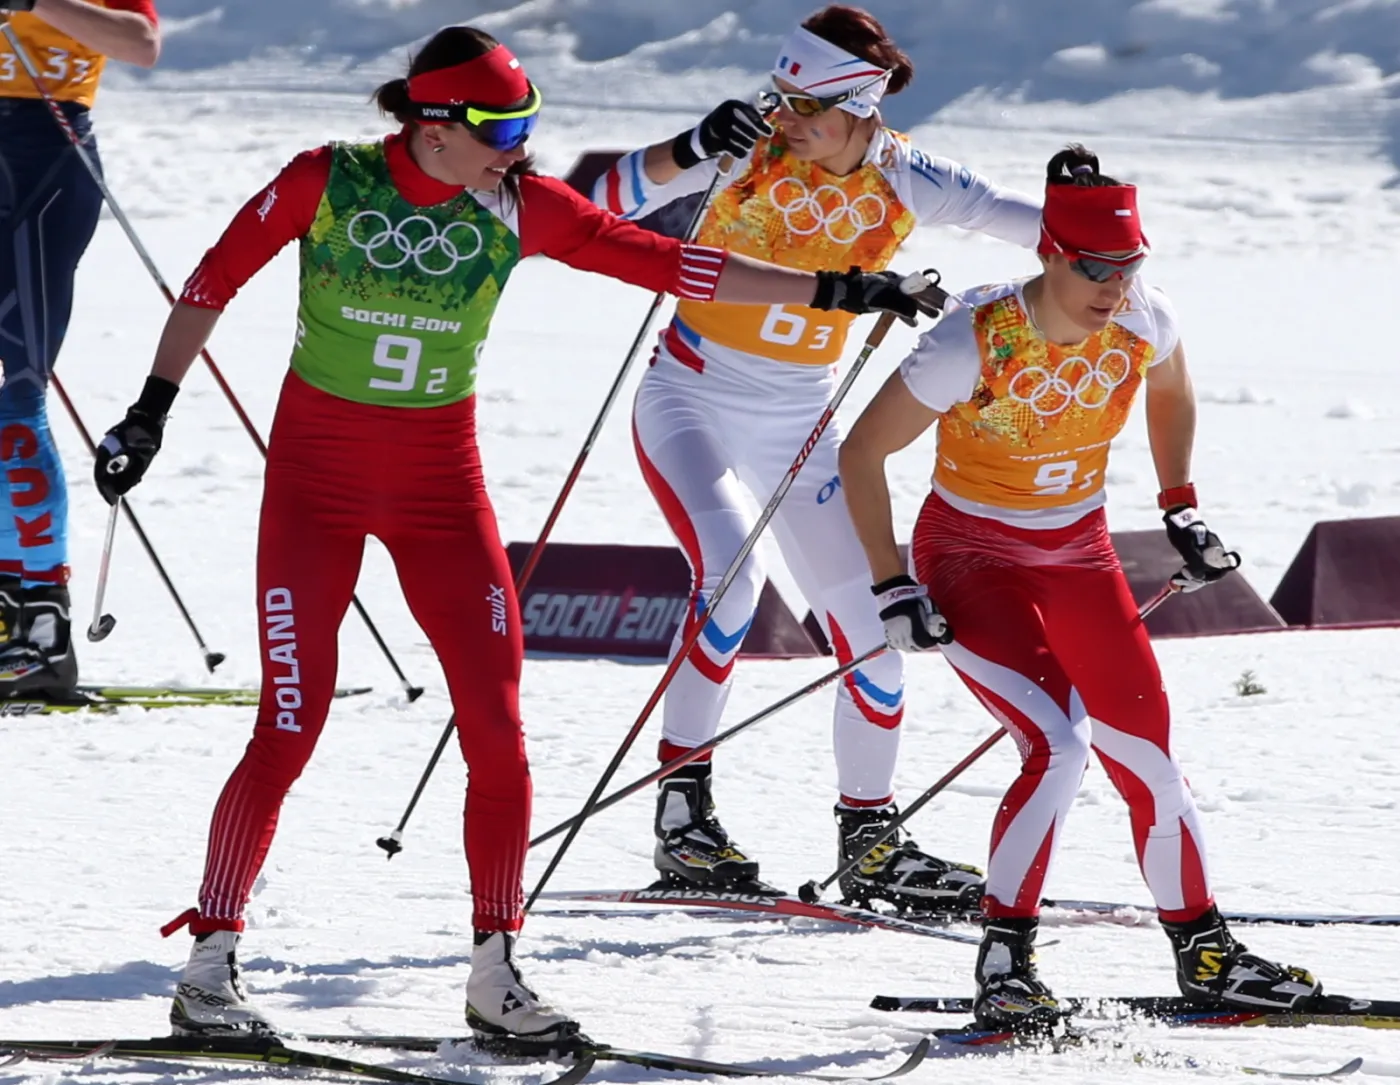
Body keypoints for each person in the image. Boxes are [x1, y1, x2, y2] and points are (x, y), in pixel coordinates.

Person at [89, 25, 941, 1045]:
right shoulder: (327, 179)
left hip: (441, 493)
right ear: (431, 123)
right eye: (503, 127)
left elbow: (673, 263)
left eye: (530, 123)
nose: (522, 146)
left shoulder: (516, 202)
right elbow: (211, 281)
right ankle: (209, 962)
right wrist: (149, 409)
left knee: (497, 729)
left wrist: (843, 290)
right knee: (290, 719)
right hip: (314, 491)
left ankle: (495, 968)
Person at [838, 144, 1324, 1029]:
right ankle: (1005, 958)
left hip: (1081, 555)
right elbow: (862, 453)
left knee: (1150, 758)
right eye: (1095, 267)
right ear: (1050, 253)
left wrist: (1181, 506)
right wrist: (891, 585)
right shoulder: (973, 340)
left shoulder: (1143, 317)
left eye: (1130, 265)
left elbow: (1172, 389)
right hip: (974, 559)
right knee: (1056, 744)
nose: (1114, 286)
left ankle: (1205, 953)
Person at [589, 4, 1041, 912]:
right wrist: (687, 147)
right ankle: (683, 814)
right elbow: (598, 207)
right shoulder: (744, 147)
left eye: (808, 107)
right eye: (779, 96)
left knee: (876, 635)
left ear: (863, 110)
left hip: (797, 417)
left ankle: (870, 839)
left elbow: (1040, 230)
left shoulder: (909, 175)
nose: (786, 118)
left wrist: (1097, 220)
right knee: (730, 581)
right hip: (689, 395)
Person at [0, 0, 160, 697]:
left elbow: (142, 43)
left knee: (20, 391)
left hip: (46, 149)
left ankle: (40, 626)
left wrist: (35, 2)